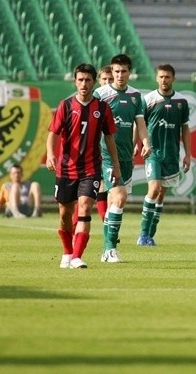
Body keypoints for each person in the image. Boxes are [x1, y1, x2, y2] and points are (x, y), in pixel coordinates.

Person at [47, 63, 121, 269]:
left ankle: (78, 256)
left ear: (94, 82)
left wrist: (115, 165)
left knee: (85, 207)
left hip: (91, 168)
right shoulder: (66, 105)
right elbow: (53, 133)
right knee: (64, 214)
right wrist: (51, 155)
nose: (84, 84)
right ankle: (67, 252)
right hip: (66, 168)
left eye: (88, 80)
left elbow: (109, 138)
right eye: (80, 80)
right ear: (75, 81)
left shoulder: (102, 108)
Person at [94, 54, 151, 263]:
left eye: (123, 71)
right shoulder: (101, 94)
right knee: (119, 198)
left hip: (127, 156)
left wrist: (145, 142)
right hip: (107, 155)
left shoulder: (136, 96)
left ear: (130, 72)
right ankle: (110, 249)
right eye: (116, 71)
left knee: (113, 203)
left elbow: (140, 124)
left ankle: (105, 249)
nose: (119, 75)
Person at [137, 64, 191, 246]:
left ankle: (150, 234)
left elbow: (185, 128)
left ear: (173, 78)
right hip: (153, 152)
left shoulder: (181, 102)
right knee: (153, 189)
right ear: (156, 78)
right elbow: (140, 123)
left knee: (160, 195)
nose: (164, 80)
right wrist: (137, 144)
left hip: (171, 154)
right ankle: (143, 234)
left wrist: (188, 154)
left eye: (167, 77)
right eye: (161, 77)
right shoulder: (149, 99)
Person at [72, 64, 114, 229]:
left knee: (109, 189)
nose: (108, 82)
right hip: (90, 153)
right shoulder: (91, 99)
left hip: (111, 151)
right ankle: (79, 224)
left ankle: (107, 224)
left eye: (110, 79)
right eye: (105, 79)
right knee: (87, 193)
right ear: (99, 81)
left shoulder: (115, 100)